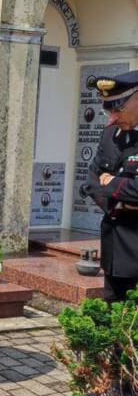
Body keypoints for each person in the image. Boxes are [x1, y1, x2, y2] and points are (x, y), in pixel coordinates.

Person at [85, 71, 138, 303]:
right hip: (114, 244)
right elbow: (92, 183)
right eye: (109, 110)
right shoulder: (110, 135)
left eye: (118, 109)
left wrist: (113, 183)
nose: (112, 118)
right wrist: (123, 197)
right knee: (112, 314)